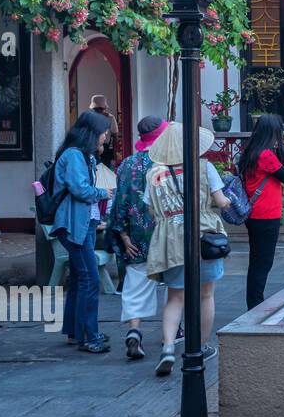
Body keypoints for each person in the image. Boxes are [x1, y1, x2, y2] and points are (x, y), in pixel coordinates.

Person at [145, 122, 230, 377]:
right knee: (206, 294)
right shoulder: (204, 167)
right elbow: (220, 201)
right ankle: (202, 346)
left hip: (169, 239)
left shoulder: (154, 174)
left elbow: (150, 208)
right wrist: (227, 201)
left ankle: (169, 347)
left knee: (175, 296)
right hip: (203, 235)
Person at [49, 111, 115, 353]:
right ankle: (90, 335)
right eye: (103, 133)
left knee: (79, 278)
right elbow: (81, 190)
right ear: (90, 133)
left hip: (83, 223)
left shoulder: (82, 155)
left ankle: (76, 332)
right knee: (90, 278)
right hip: (73, 224)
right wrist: (102, 194)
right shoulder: (74, 155)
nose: (105, 137)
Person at [108, 115, 167, 360]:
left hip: (136, 234)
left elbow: (118, 203)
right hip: (165, 233)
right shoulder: (168, 164)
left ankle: (134, 330)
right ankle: (170, 334)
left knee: (135, 284)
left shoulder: (127, 165)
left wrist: (122, 235)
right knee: (174, 286)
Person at [238, 114, 284, 311]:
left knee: (257, 261)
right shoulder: (266, 155)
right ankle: (255, 304)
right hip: (265, 215)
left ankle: (254, 301)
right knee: (262, 263)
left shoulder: (251, 151)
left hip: (256, 215)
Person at [90, 94, 121, 170]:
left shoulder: (110, 117)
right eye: (97, 109)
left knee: (105, 171)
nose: (99, 111)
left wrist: (114, 154)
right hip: (91, 147)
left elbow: (115, 135)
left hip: (106, 149)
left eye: (100, 109)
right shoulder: (90, 116)